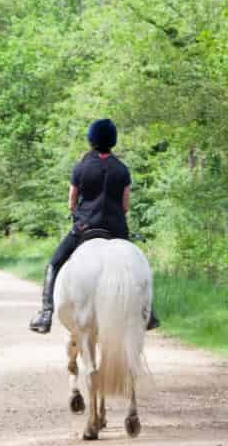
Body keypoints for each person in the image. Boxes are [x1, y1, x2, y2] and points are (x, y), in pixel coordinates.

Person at [29, 119, 161, 334]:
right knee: (136, 266)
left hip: (84, 228)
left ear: (91, 140)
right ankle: (148, 312)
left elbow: (72, 201)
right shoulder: (122, 169)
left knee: (54, 264)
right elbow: (125, 205)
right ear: (113, 141)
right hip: (116, 230)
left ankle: (45, 314)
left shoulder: (80, 167)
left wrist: (78, 214)